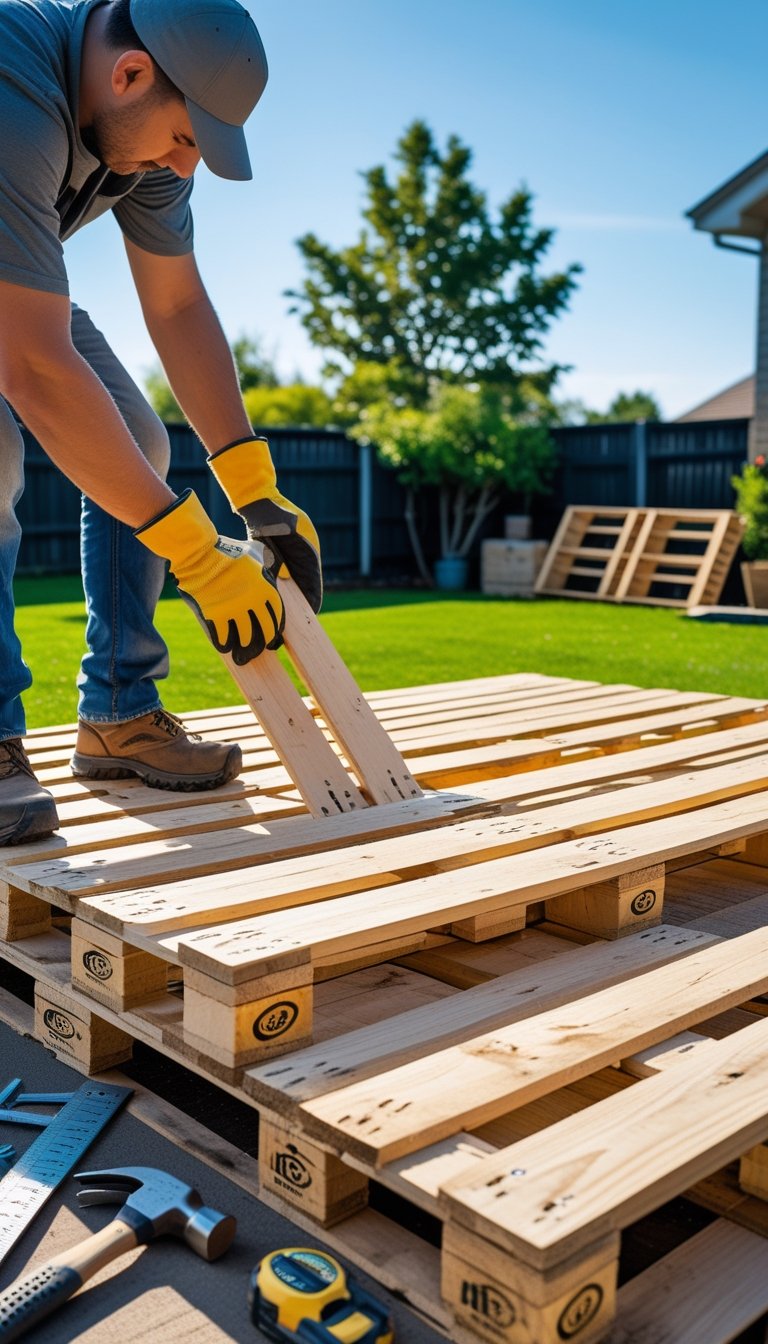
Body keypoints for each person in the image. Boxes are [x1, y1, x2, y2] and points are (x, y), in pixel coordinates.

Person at [0, 0, 322, 845]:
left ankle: (117, 713)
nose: (188, 166)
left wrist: (256, 496)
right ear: (132, 74)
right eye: (186, 137)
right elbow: (29, 366)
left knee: (136, 443)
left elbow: (177, 306)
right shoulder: (11, 79)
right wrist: (195, 556)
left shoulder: (140, 140)